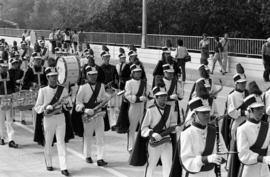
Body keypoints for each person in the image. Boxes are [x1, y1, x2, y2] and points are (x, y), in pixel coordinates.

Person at [34, 67, 72, 176]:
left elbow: (69, 106)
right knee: (49, 142)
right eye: (52, 76)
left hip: (60, 118)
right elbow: (37, 107)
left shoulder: (63, 89)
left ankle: (64, 167)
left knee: (61, 142)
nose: (54, 78)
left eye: (55, 76)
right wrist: (46, 107)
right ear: (47, 77)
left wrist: (66, 104)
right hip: (48, 119)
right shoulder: (43, 90)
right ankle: (49, 163)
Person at [141, 86, 182, 177]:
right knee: (151, 164)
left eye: (165, 96)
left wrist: (175, 129)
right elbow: (143, 128)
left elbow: (172, 124)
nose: (164, 98)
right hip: (155, 140)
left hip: (167, 139)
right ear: (156, 98)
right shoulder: (150, 110)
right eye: (161, 96)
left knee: (168, 164)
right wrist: (152, 133)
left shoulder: (169, 108)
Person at [180, 97, 227, 177]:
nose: (207, 115)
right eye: (203, 113)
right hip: (194, 175)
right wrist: (207, 159)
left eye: (208, 112)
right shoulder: (187, 134)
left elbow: (224, 152)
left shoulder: (214, 131)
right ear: (194, 114)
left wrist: (221, 158)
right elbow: (186, 161)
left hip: (211, 174)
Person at [75, 66, 109, 166]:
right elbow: (78, 103)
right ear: (87, 75)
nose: (93, 77)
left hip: (99, 113)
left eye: (95, 74)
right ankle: (87, 155)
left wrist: (104, 102)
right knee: (88, 136)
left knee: (100, 137)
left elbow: (103, 98)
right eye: (91, 75)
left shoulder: (101, 86)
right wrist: (85, 109)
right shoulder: (83, 87)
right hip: (88, 115)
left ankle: (100, 158)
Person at [236, 94, 270, 177]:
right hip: (249, 171)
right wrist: (262, 159)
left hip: (265, 170)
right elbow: (243, 154)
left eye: (262, 108)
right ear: (249, 110)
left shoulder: (268, 126)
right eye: (257, 109)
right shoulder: (242, 129)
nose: (261, 111)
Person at [125, 64, 147, 152]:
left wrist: (147, 97)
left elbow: (148, 93)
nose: (138, 74)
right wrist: (138, 98)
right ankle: (131, 146)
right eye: (136, 72)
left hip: (142, 106)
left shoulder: (144, 83)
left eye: (139, 72)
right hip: (133, 107)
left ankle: (142, 146)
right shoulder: (129, 83)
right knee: (132, 127)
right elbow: (127, 95)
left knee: (144, 126)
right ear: (132, 73)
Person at [0, 61, 18, 148]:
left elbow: (13, 86)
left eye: (5, 67)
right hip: (0, 100)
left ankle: (11, 139)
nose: (4, 69)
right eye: (2, 67)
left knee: (9, 121)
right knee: (1, 120)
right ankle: (2, 137)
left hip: (9, 100)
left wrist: (14, 96)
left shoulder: (10, 75)